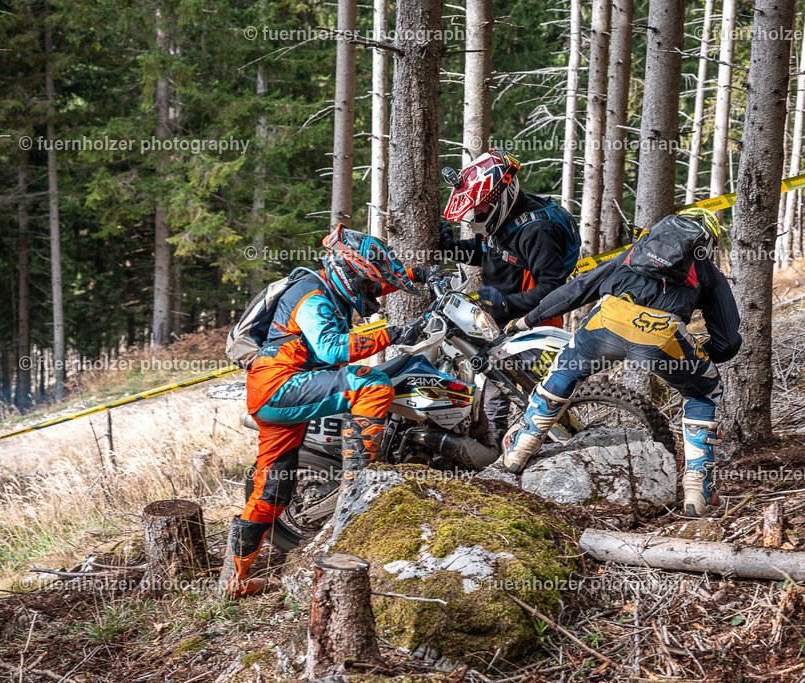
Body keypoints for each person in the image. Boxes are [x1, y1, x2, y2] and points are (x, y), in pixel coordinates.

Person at [219, 226, 430, 599]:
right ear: (348, 273)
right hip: (280, 387)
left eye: (371, 286)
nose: (371, 295)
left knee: (272, 491)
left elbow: (378, 280)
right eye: (365, 285)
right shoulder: (313, 298)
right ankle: (357, 485)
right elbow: (332, 350)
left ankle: (232, 583)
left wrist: (418, 276)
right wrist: (392, 334)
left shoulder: (328, 285)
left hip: (272, 391)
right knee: (373, 384)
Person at [501, 207, 742, 518]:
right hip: (662, 337)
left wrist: (527, 320)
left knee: (566, 370)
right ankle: (698, 490)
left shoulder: (633, 252)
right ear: (706, 242)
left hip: (606, 324)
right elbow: (728, 342)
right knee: (703, 393)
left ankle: (521, 448)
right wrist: (700, 358)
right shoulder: (707, 270)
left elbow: (577, 289)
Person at [439, 147, 580, 443]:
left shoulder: (537, 230)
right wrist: (448, 246)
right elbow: (488, 252)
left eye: (480, 208)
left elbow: (554, 288)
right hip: (503, 319)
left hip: (533, 323)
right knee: (495, 390)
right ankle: (507, 447)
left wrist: (505, 304)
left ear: (500, 199)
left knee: (511, 395)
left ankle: (524, 456)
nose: (476, 214)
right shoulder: (503, 221)